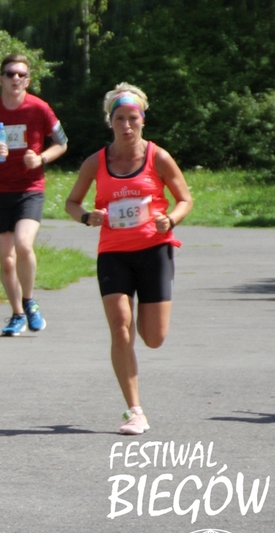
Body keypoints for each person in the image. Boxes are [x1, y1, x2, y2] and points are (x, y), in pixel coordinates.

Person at [64, 83, 192, 435]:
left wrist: (171, 219)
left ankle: (146, 328)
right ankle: (135, 411)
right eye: (119, 118)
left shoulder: (158, 157)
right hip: (113, 253)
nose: (126, 125)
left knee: (153, 337)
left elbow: (185, 199)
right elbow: (72, 203)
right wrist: (86, 216)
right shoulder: (96, 162)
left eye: (132, 118)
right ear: (110, 121)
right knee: (121, 325)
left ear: (142, 120)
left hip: (154, 250)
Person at [0, 54, 68, 336]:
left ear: (27, 81)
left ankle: (29, 302)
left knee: (23, 244)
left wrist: (41, 158)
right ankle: (17, 314)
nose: (15, 78)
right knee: (7, 259)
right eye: (10, 74)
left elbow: (62, 143)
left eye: (21, 74)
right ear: (1, 79)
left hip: (30, 189)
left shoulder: (40, 108)